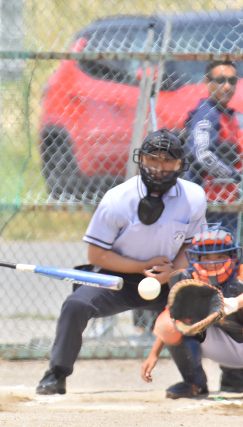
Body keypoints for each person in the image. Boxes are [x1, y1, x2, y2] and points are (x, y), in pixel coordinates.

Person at [36, 128, 207, 395]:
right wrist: (141, 266)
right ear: (141, 159)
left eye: (166, 161)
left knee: (194, 308)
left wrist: (173, 270)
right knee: (76, 305)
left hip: (166, 278)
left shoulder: (193, 197)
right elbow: (96, 255)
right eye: (153, 159)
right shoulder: (118, 199)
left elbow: (191, 244)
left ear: (179, 165)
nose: (158, 167)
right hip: (119, 276)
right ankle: (56, 374)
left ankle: (195, 381)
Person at [183, 60, 243, 389]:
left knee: (233, 289)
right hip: (210, 215)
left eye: (232, 80)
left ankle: (234, 373)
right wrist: (236, 176)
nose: (227, 86)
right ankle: (199, 375)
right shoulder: (205, 114)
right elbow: (202, 155)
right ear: (207, 82)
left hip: (229, 211)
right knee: (215, 288)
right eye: (220, 80)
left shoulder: (231, 116)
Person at [141, 225, 243, 398]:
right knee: (169, 323)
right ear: (196, 258)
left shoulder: (240, 272)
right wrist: (153, 355)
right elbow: (170, 319)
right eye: (207, 257)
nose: (213, 262)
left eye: (220, 256)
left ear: (233, 257)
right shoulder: (188, 280)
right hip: (224, 347)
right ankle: (194, 383)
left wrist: (234, 303)